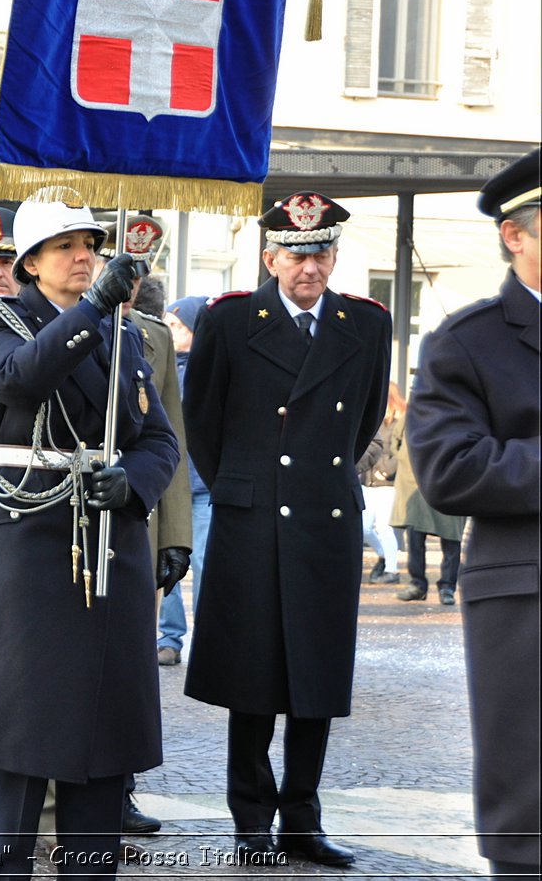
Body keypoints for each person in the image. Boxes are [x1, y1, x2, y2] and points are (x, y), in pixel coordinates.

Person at [0, 199, 178, 880]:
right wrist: (91, 312)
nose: (83, 255)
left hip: (107, 548)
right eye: (65, 244)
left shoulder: (126, 336)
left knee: (101, 748)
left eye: (90, 244)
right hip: (27, 553)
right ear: (30, 262)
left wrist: (131, 482)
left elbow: (159, 437)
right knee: (16, 744)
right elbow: (19, 376)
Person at [182, 192, 391, 868]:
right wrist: (245, 485)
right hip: (254, 518)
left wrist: (313, 482)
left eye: (322, 252)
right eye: (298, 253)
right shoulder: (232, 319)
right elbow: (203, 422)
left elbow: (361, 423)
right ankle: (251, 819)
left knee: (316, 680)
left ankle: (302, 817)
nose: (311, 266)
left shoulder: (366, 323)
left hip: (324, 518)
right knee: (253, 677)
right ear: (270, 256)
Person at [407, 139, 542, 880]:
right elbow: (451, 469)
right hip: (536, 604)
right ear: (517, 234)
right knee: (540, 812)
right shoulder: (465, 342)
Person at [96, 219, 192, 838]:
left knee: (126, 671)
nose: (125, 282)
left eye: (134, 272)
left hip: (135, 518)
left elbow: (170, 439)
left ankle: (119, 790)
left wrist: (175, 533)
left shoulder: (153, 339)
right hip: (69, 520)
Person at [155, 295, 211, 666]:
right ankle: (168, 637)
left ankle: (209, 638)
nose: (171, 332)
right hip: (169, 485)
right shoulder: (160, 364)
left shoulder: (209, 370)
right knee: (166, 564)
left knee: (207, 565)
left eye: (179, 325)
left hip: (205, 486)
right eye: (169, 325)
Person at [390, 421, 465, 604]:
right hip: (413, 481)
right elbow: (395, 440)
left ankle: (447, 587)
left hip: (449, 481)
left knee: (451, 538)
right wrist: (402, 457)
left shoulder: (457, 409)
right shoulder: (411, 413)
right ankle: (417, 584)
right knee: (415, 536)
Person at [357, 383, 406, 585]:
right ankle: (384, 555)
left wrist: (386, 469)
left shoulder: (401, 421)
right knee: (365, 527)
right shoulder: (376, 421)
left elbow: (402, 451)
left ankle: (392, 569)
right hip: (368, 481)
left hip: (387, 483)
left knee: (385, 527)